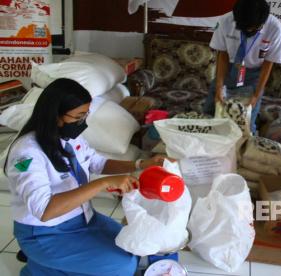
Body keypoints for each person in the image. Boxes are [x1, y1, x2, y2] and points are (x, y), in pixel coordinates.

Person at [5, 78, 167, 276]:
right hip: (46, 233)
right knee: (123, 267)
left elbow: (96, 162)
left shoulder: (69, 137)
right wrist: (103, 183)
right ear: (55, 115)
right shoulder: (27, 153)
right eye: (79, 117)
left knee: (132, 244)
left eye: (86, 115)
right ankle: (39, 267)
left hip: (84, 220)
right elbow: (45, 210)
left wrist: (141, 164)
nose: (83, 123)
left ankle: (47, 262)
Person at [203, 0, 281, 134]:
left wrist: (256, 95)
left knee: (246, 122)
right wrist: (219, 86)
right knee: (210, 112)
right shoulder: (225, 21)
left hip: (254, 75)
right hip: (229, 69)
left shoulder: (276, 29)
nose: (248, 31)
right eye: (244, 28)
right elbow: (222, 55)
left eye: (253, 28)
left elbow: (268, 64)